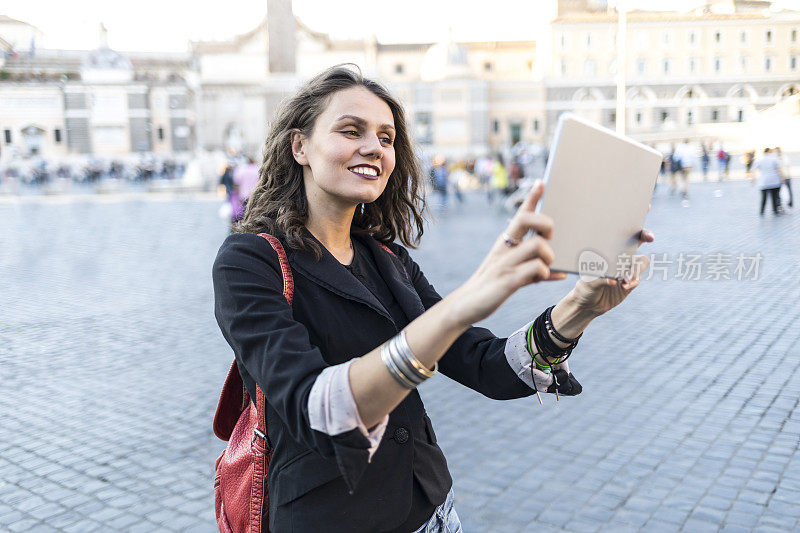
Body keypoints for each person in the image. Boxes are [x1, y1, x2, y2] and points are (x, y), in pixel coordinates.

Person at [212, 66, 653, 532]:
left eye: (386, 138)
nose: (374, 147)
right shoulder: (249, 261)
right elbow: (316, 409)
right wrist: (466, 300)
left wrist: (581, 306)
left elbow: (485, 365)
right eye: (350, 130)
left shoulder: (388, 259)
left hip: (432, 512)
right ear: (299, 146)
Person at [753, 147, 783, 216]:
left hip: (764, 181)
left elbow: (753, 170)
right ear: (770, 152)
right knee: (774, 197)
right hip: (774, 180)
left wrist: (753, 180)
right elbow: (779, 169)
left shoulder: (759, 159)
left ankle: (762, 211)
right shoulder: (774, 159)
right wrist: (782, 178)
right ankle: (775, 210)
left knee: (764, 197)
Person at [230, 155, 260, 224]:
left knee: (243, 213)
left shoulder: (241, 169)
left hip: (243, 195)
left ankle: (244, 226)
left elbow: (237, 184)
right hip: (255, 195)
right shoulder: (257, 169)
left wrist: (237, 195)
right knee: (253, 213)